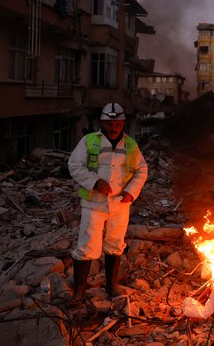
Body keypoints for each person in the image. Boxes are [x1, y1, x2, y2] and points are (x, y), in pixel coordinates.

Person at [68, 102, 148, 300]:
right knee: (87, 246)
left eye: (118, 124)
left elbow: (142, 170)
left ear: (123, 123)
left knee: (115, 244)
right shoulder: (89, 141)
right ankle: (79, 292)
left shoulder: (130, 145)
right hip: (94, 204)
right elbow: (74, 165)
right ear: (103, 123)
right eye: (110, 124)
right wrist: (95, 182)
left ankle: (111, 286)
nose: (114, 128)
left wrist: (131, 192)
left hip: (120, 204)